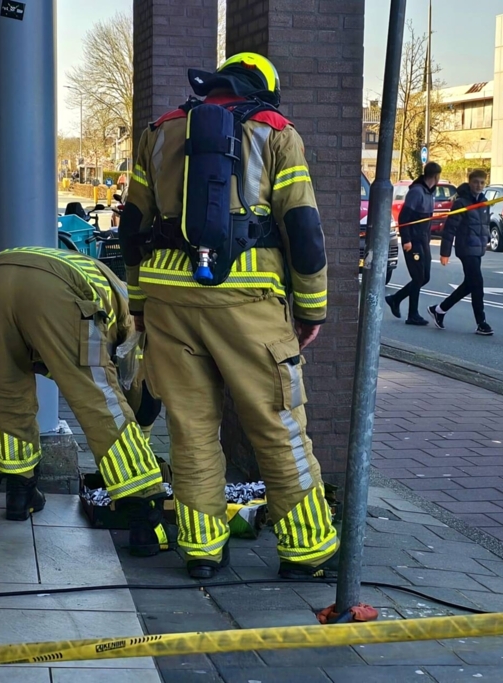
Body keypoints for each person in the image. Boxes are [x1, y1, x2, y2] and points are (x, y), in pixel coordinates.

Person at [118, 52, 338, 581]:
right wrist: (311, 308)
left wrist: (141, 302)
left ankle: (201, 552)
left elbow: (132, 226)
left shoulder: (160, 132)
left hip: (169, 296)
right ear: (264, 90)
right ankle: (307, 551)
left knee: (191, 431)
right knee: (278, 424)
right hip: (248, 299)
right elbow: (303, 230)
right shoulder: (275, 131)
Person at [0, 246, 177, 557]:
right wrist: (142, 443)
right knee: (98, 402)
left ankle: (20, 493)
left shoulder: (117, 291)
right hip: (56, 291)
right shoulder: (136, 323)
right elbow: (132, 392)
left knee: (10, 387)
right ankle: (145, 517)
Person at [429, 169, 493, 336]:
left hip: (477, 249)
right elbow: (450, 229)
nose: (478, 185)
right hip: (466, 249)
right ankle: (481, 322)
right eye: (475, 182)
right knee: (477, 284)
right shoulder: (461, 203)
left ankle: (439, 310)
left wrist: (486, 241)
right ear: (469, 182)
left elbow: (484, 226)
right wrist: (445, 252)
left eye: (482, 183)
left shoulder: (484, 203)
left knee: (469, 285)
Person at [386, 162, 442, 325]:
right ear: (436, 176)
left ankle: (395, 299)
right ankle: (412, 314)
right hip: (414, 240)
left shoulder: (429, 192)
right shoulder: (417, 192)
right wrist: (407, 240)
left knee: (425, 277)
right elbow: (404, 217)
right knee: (418, 277)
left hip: (423, 240)